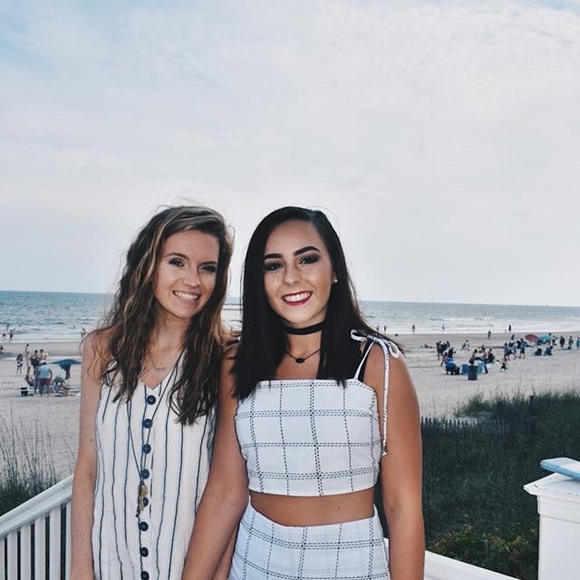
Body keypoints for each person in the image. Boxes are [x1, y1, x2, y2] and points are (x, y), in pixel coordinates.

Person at [182, 207, 424, 579]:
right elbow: (224, 492)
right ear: (259, 280)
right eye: (274, 265)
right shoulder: (238, 361)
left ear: (335, 269)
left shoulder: (379, 363)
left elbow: (403, 506)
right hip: (255, 562)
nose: (291, 277)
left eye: (307, 259)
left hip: (352, 565)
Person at [70, 206, 233, 580]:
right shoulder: (101, 350)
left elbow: (229, 490)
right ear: (149, 265)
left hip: (189, 569)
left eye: (207, 268)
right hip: (110, 564)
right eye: (177, 262)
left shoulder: (225, 360)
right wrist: (80, 567)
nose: (193, 280)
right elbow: (87, 466)